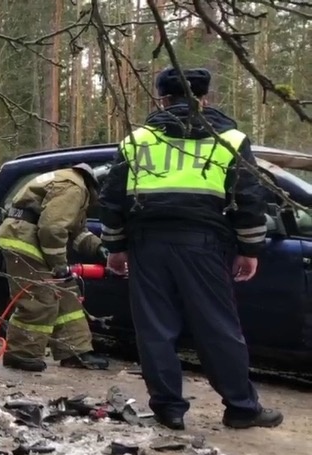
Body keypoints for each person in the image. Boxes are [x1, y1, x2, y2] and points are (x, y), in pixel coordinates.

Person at [99, 66, 283, 430]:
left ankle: (169, 409)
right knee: (217, 327)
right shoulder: (229, 138)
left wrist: (115, 248)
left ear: (162, 99)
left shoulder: (138, 140)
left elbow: (112, 199)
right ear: (204, 98)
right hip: (204, 244)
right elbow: (249, 198)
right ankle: (242, 408)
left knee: (155, 330)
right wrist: (250, 249)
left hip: (147, 245)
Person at [0, 164, 112, 372]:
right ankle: (21, 354)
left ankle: (76, 351)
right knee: (39, 299)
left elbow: (75, 231)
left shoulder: (74, 185)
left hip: (30, 237)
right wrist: (59, 265)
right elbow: (52, 228)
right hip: (23, 240)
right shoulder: (75, 188)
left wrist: (99, 248)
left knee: (67, 293)